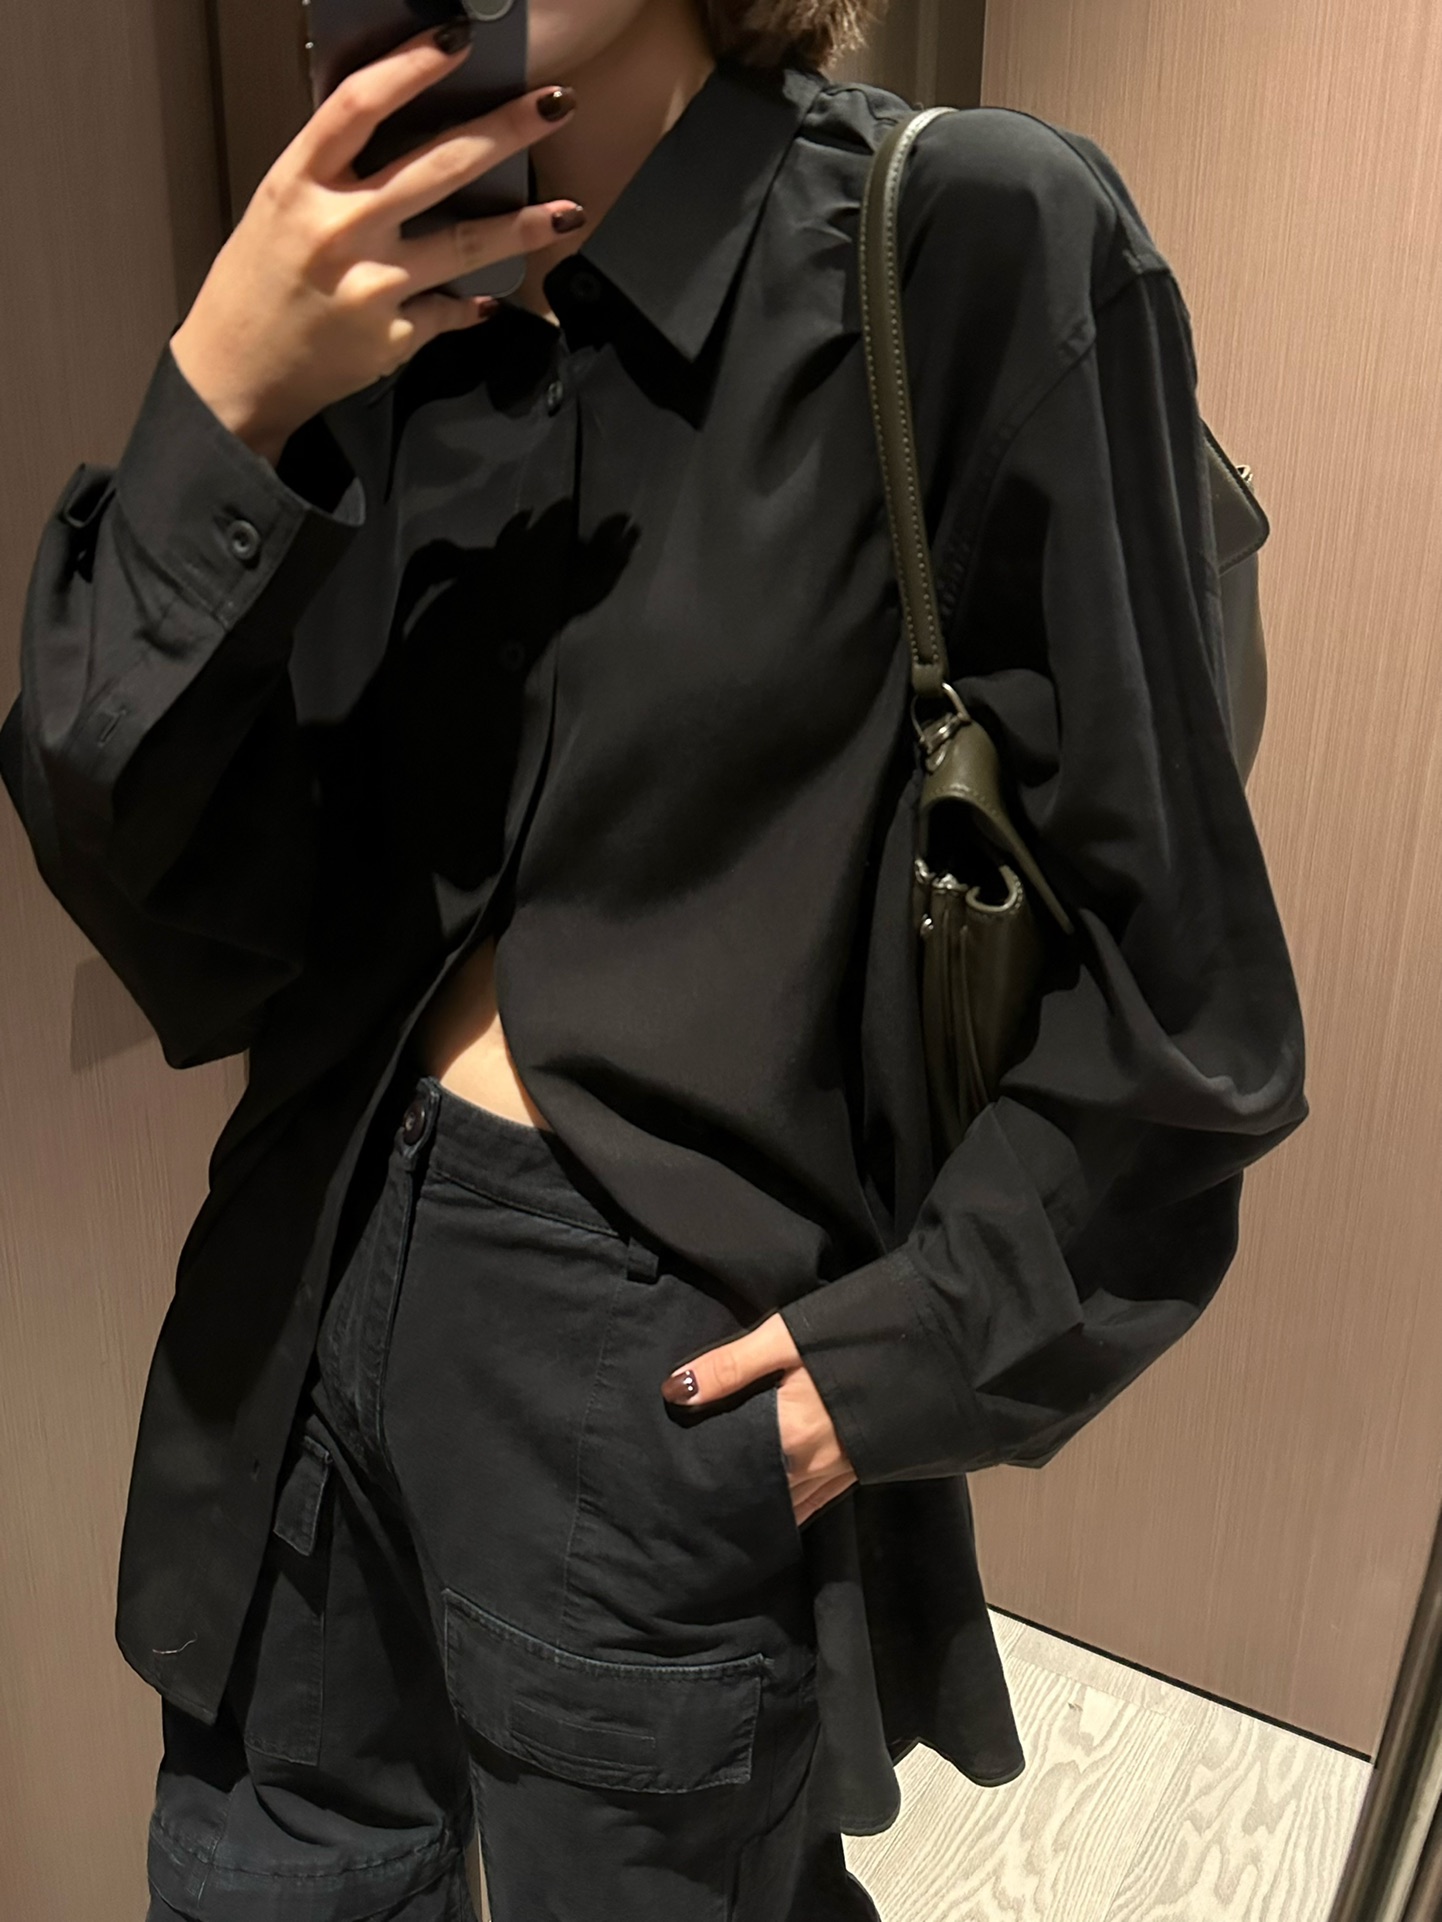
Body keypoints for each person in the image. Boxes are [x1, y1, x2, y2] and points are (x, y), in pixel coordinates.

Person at [0, 0, 1309, 1914]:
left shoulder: (966, 241)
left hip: (646, 1399)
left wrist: (905, 1355)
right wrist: (224, 405)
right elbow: (155, 883)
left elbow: (1181, 996)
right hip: (285, 1325)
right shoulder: (362, 304)